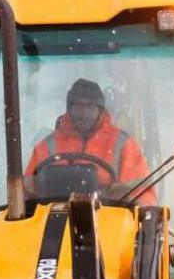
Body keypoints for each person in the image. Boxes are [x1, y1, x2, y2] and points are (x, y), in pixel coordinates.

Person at [24, 78, 153, 201]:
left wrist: (122, 196)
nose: (84, 112)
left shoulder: (123, 144)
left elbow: (143, 193)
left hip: (110, 219)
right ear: (70, 109)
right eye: (79, 106)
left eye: (90, 106)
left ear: (100, 110)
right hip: (53, 219)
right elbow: (26, 192)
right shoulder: (47, 146)